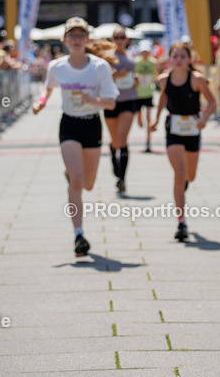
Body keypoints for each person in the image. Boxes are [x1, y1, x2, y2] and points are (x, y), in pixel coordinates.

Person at [32, 17, 118, 257]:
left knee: (88, 184)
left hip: (92, 124)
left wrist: (93, 100)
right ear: (65, 40)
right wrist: (40, 102)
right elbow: (47, 88)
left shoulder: (100, 67)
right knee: (77, 180)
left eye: (81, 36)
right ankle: (78, 234)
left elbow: (111, 103)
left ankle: (74, 176)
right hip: (68, 124)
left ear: (87, 39)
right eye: (73, 36)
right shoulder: (57, 67)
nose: (77, 40)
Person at [150, 40, 216, 242]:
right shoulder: (163, 79)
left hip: (193, 130)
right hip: (174, 129)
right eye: (175, 56)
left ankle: (183, 185)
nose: (178, 60)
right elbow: (163, 97)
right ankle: (181, 221)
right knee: (179, 173)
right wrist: (156, 119)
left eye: (182, 56)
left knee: (190, 176)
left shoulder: (196, 79)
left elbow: (212, 102)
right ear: (169, 59)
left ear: (189, 59)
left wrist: (204, 118)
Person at [105, 25, 138, 194]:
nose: (119, 40)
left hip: (129, 100)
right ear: (112, 40)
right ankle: (112, 152)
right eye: (116, 37)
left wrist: (136, 80)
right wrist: (116, 76)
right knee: (116, 141)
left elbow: (134, 74)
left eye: (122, 37)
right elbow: (102, 78)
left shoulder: (132, 55)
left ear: (126, 39)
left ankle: (121, 178)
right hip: (111, 101)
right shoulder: (108, 57)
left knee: (123, 139)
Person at [135, 40, 157, 153]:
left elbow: (156, 74)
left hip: (148, 92)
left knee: (148, 118)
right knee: (138, 114)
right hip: (138, 93)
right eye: (143, 52)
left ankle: (148, 141)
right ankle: (139, 119)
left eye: (147, 52)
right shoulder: (136, 62)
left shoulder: (153, 62)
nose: (145, 54)